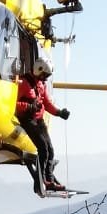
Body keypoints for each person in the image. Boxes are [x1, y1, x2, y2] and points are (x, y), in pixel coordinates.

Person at [16, 56, 70, 195]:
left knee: (50, 150)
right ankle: (41, 182)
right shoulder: (23, 83)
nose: (45, 79)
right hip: (28, 120)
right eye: (45, 75)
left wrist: (59, 112)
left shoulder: (41, 85)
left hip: (39, 121)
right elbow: (12, 104)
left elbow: (46, 103)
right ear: (38, 70)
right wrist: (28, 107)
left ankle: (49, 180)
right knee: (43, 149)